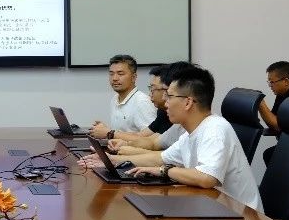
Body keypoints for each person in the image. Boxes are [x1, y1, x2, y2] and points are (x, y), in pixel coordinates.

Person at [122, 64, 262, 210]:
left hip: (241, 216)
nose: (166, 102)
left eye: (169, 96)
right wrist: (114, 161)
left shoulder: (215, 129)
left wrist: (164, 171)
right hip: (212, 206)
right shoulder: (191, 132)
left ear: (188, 102)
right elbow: (160, 158)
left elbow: (206, 178)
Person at [103, 62, 191, 156]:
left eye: (169, 94)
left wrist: (112, 136)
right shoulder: (174, 122)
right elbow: (152, 141)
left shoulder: (198, 130)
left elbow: (169, 157)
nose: (115, 78)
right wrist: (126, 144)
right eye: (111, 74)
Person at [88, 54, 157, 139]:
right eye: (111, 74)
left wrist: (108, 133)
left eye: (120, 74)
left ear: (134, 77)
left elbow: (151, 139)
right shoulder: (115, 99)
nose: (115, 78)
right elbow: (120, 134)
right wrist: (106, 131)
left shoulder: (142, 102)